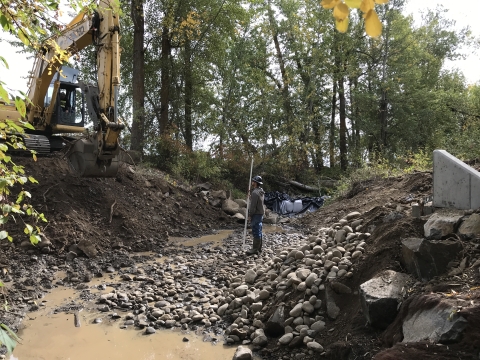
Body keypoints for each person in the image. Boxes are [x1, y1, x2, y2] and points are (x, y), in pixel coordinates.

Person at [246, 175, 265, 255]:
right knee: (259, 230)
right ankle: (259, 248)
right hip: (260, 213)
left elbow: (253, 206)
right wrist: (251, 197)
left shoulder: (255, 192)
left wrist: (250, 215)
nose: (252, 182)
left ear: (255, 183)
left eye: (253, 181)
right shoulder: (260, 191)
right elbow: (258, 201)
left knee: (256, 230)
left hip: (256, 214)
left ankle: (255, 249)